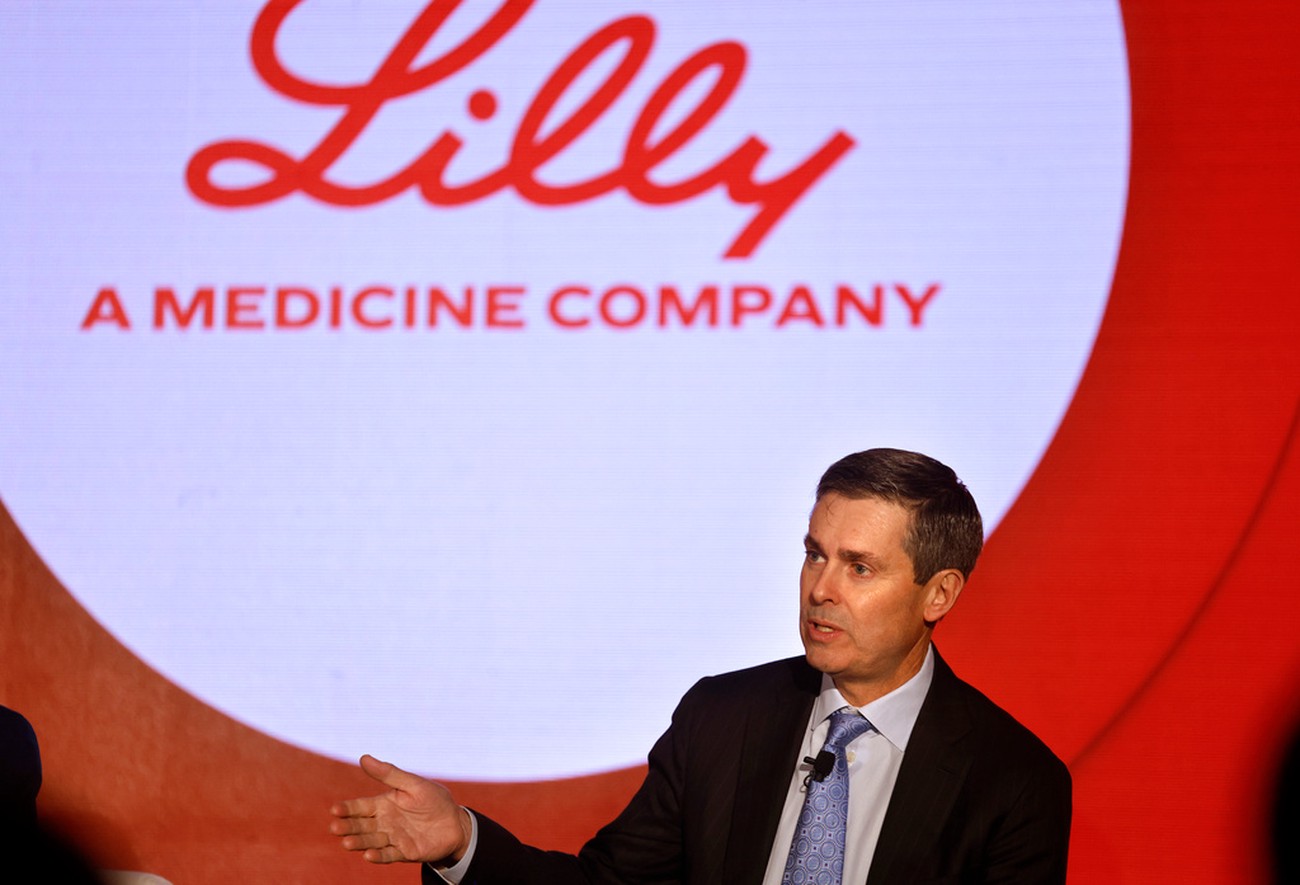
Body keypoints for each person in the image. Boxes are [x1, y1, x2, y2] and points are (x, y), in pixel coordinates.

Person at [330, 448, 1072, 883]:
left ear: (939, 592)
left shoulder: (1013, 781)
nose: (821, 588)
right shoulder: (722, 719)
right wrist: (462, 840)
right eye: (814, 554)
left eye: (859, 567)